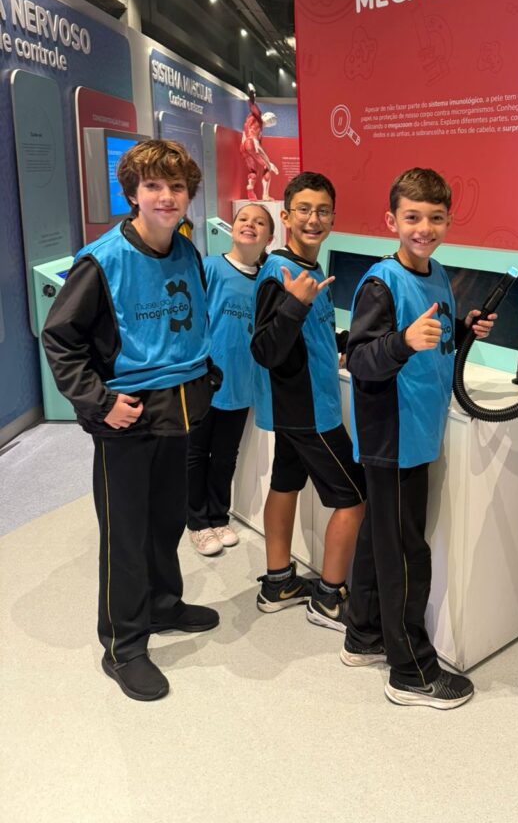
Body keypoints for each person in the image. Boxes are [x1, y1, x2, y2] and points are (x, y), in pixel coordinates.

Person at [42, 141, 222, 702]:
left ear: (189, 195)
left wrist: (206, 378)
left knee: (166, 521)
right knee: (125, 535)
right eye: (153, 186)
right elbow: (60, 340)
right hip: (127, 417)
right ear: (132, 194)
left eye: (176, 187)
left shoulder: (186, 249)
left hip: (180, 410)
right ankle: (122, 645)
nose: (166, 196)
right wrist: (100, 402)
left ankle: (164, 605)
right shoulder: (102, 261)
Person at [342, 168, 496, 709]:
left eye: (435, 217)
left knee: (380, 538)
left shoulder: (437, 273)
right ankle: (410, 670)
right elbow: (360, 358)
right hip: (394, 436)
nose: (424, 228)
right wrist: (403, 342)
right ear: (392, 221)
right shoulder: (381, 283)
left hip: (417, 429)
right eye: (412, 217)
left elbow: (433, 338)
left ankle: (363, 633)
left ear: (448, 221)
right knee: (406, 551)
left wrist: (464, 328)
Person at [251, 171, 365, 629]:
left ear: (333, 218)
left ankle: (278, 583)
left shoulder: (312, 269)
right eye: (303, 210)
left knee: (286, 482)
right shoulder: (279, 274)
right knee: (354, 496)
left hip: (300, 404)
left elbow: (308, 335)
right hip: (307, 409)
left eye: (322, 211)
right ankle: (329, 599)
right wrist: (294, 305)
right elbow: (264, 349)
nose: (313, 219)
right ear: (285, 216)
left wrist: (344, 342)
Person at [187, 203, 274, 555]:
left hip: (242, 382)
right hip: (205, 380)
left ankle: (218, 515)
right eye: (243, 219)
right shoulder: (210, 267)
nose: (250, 224)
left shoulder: (268, 280)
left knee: (225, 455)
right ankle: (197, 521)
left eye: (259, 222)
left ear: (270, 236)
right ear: (232, 227)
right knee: (196, 452)